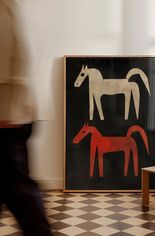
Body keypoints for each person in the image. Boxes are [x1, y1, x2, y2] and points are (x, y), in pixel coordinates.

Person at [0, 1, 53, 235]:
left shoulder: (9, 7)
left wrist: (10, 109)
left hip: (8, 115)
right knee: (18, 188)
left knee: (19, 190)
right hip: (14, 112)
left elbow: (22, 52)